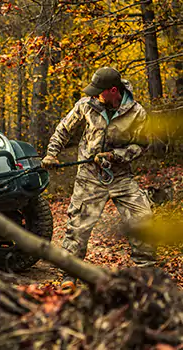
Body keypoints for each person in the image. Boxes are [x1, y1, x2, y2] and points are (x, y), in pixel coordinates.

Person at [42, 66, 156, 285]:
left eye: (99, 91)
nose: (94, 94)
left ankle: (146, 272)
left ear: (114, 90)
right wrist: (51, 154)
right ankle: (70, 275)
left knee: (142, 217)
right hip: (90, 177)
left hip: (121, 176)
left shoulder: (137, 112)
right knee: (78, 225)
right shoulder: (86, 105)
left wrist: (116, 156)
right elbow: (63, 129)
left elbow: (142, 145)